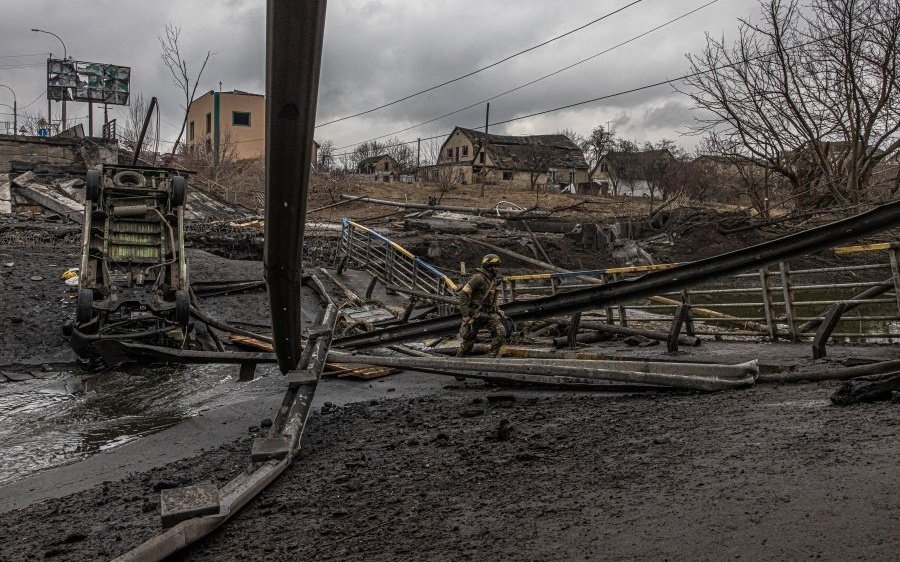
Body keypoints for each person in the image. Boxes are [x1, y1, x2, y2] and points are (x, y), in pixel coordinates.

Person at [457, 253, 506, 357]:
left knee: (500, 333)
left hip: (488, 314)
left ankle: (491, 359)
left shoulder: (492, 280)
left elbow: (489, 299)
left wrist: (497, 310)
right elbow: (463, 294)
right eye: (495, 266)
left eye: (497, 266)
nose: (497, 269)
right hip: (475, 314)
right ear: (488, 266)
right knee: (468, 344)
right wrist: (465, 315)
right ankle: (457, 363)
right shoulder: (478, 278)